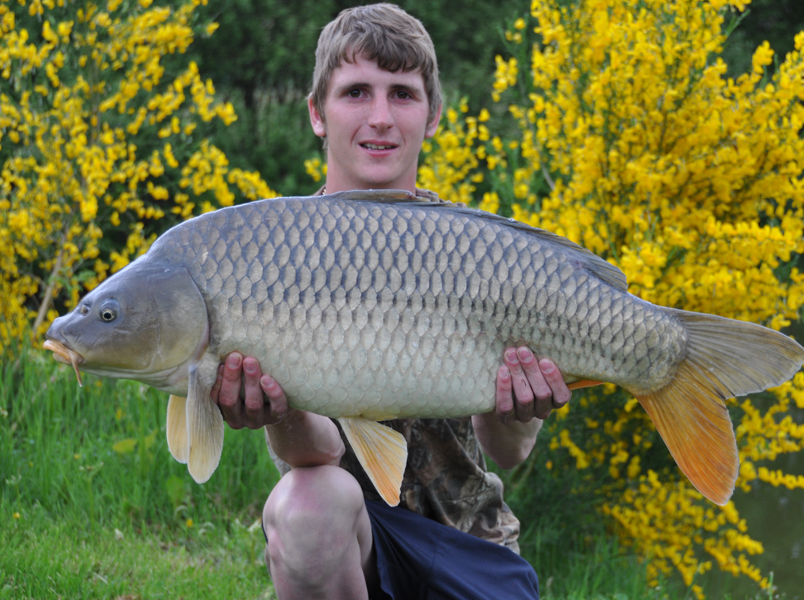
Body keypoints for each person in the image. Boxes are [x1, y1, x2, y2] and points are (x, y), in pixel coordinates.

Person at [210, 4, 571, 599]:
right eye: (356, 92)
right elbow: (317, 453)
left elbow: (508, 452)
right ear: (317, 113)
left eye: (402, 94)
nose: (380, 118)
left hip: (470, 542)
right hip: (353, 542)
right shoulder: (276, 252)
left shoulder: (481, 250)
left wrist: (520, 408)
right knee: (307, 504)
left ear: (432, 116)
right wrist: (277, 409)